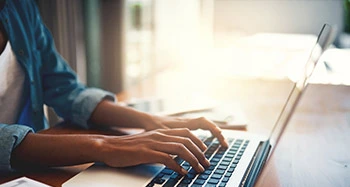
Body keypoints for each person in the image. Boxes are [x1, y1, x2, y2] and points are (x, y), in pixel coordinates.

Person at [0, 0, 227, 175]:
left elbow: (66, 90)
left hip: (36, 171)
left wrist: (150, 121)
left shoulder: (20, 7)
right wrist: (105, 146)